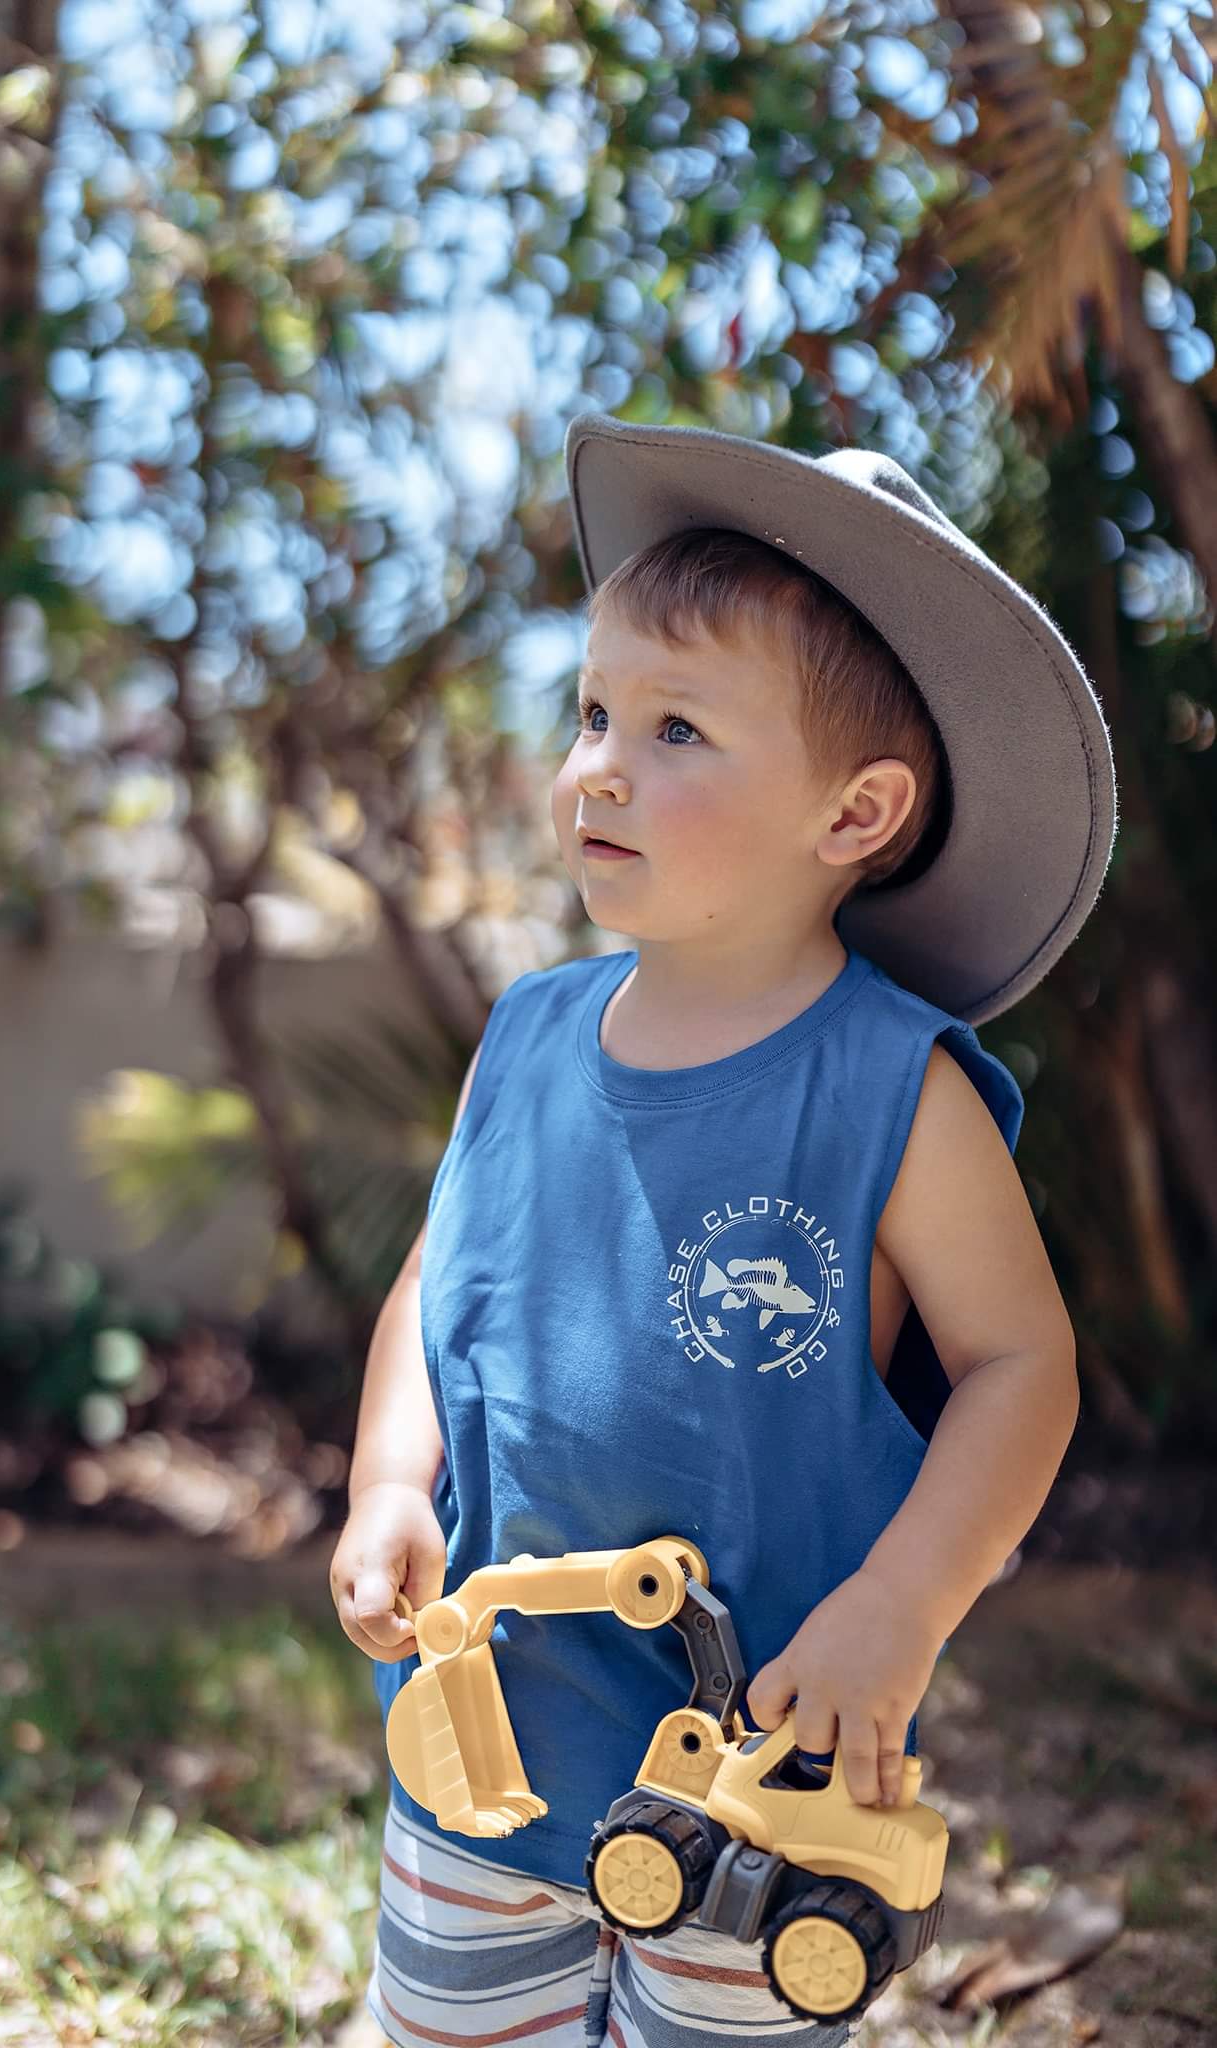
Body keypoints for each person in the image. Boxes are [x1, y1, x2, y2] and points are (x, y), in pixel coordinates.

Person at [330, 412, 1117, 2048]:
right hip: (490, 1741)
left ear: (853, 815)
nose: (600, 763)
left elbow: (1020, 1366)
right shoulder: (530, 1036)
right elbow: (436, 1280)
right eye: (595, 710)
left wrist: (898, 1609)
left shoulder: (891, 1087)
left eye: (677, 728)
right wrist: (391, 1478)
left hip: (763, 1776)